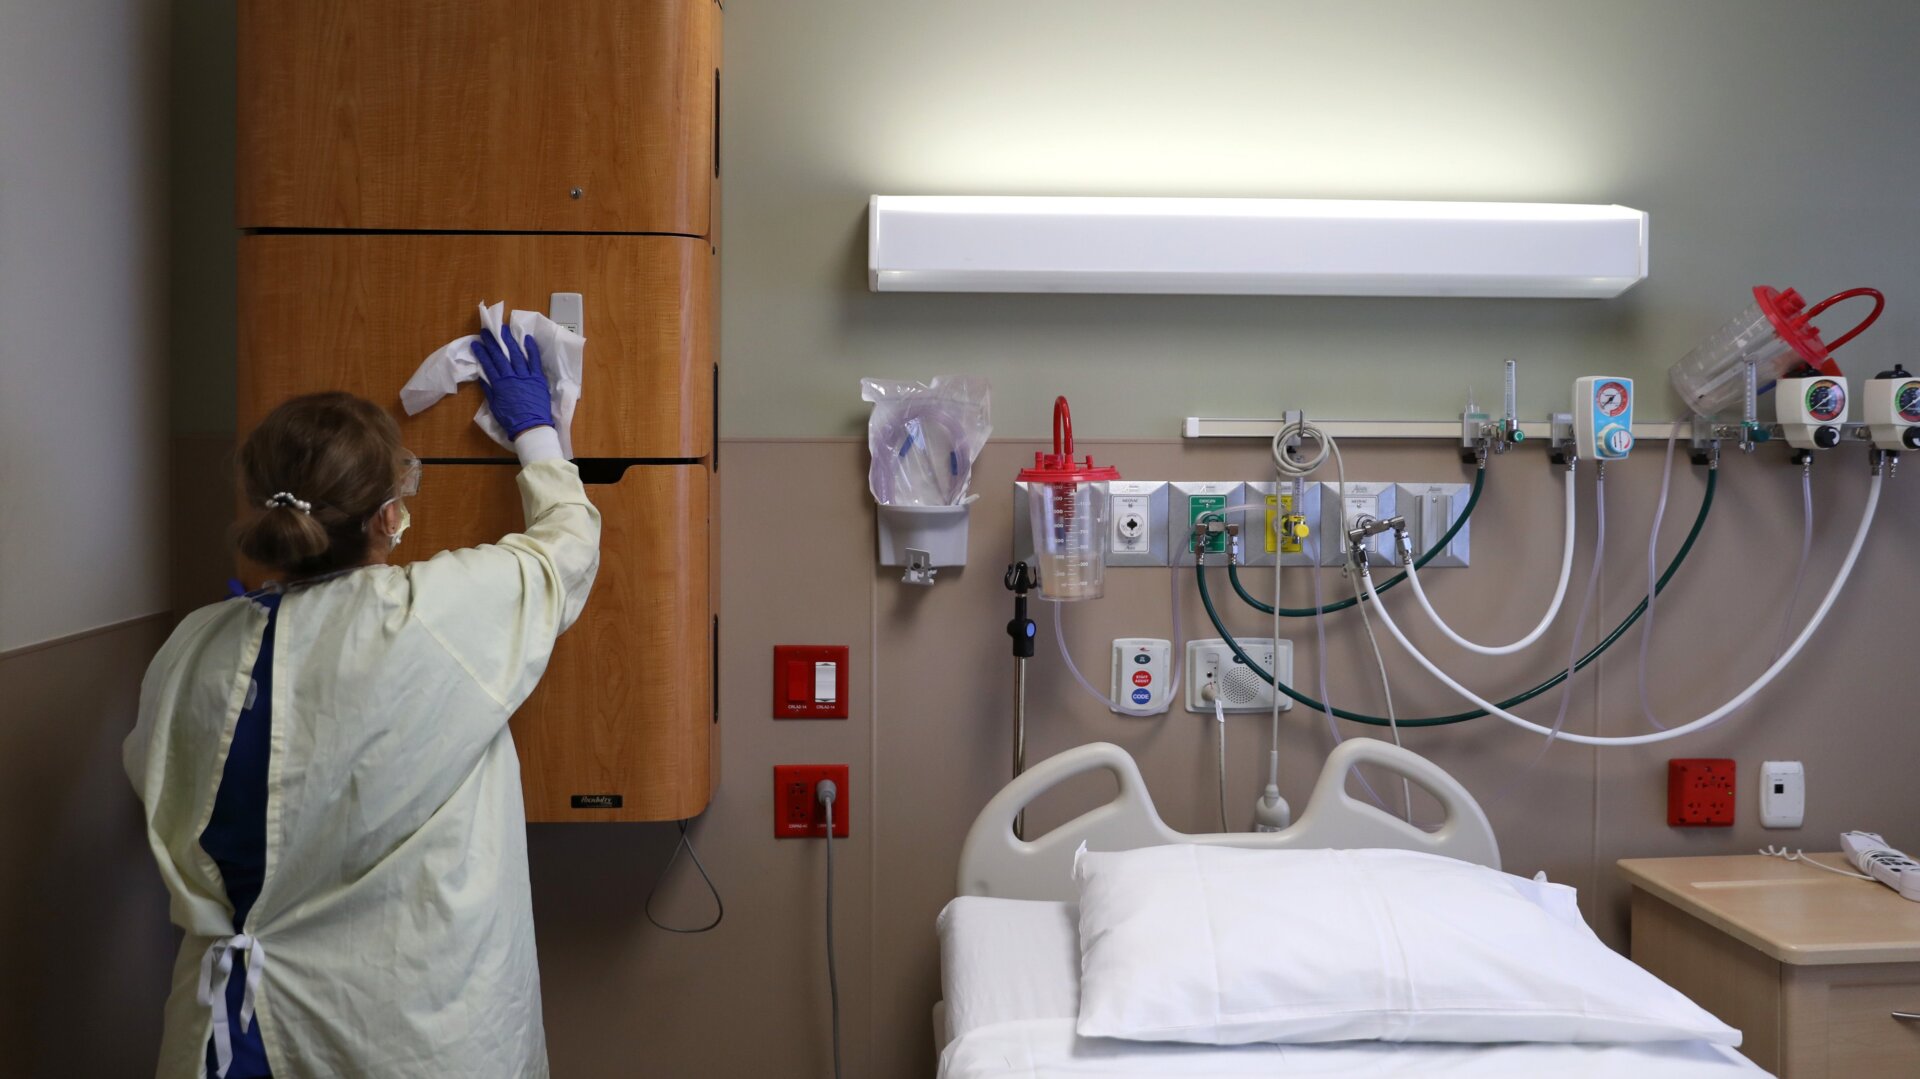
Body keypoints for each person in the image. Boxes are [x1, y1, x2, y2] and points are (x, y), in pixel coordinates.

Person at [125, 327, 598, 1078]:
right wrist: (536, 430)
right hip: (399, 1033)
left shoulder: (194, 649)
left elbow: (161, 781)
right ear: (388, 515)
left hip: (231, 1036)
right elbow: (564, 552)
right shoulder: (431, 616)